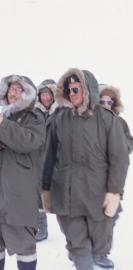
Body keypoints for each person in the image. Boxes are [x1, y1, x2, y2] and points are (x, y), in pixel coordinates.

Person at [41, 68, 129, 270]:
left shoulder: (107, 119)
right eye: (68, 89)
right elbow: (49, 157)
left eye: (76, 89)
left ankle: (97, 255)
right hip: (67, 197)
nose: (71, 93)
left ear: (88, 90)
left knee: (99, 244)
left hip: (97, 197)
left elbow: (119, 158)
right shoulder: (59, 120)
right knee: (78, 247)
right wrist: (45, 189)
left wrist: (114, 192)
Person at [0, 75, 45, 270]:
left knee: (25, 247)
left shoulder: (34, 117)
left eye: (19, 89)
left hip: (21, 195)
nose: (13, 92)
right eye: (11, 88)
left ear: (27, 93)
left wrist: (3, 124)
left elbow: (28, 141)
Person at [91, 84, 133, 269]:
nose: (105, 104)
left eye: (109, 101)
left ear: (114, 103)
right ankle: (89, 251)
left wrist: (119, 148)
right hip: (94, 179)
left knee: (110, 217)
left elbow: (130, 143)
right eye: (102, 101)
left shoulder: (120, 122)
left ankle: (101, 253)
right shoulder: (91, 121)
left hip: (114, 179)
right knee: (94, 218)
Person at [34, 79, 58, 242]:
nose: (46, 97)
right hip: (38, 158)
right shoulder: (35, 112)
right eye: (43, 94)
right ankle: (41, 228)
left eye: (49, 94)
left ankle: (74, 235)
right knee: (37, 195)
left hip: (57, 159)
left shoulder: (61, 111)